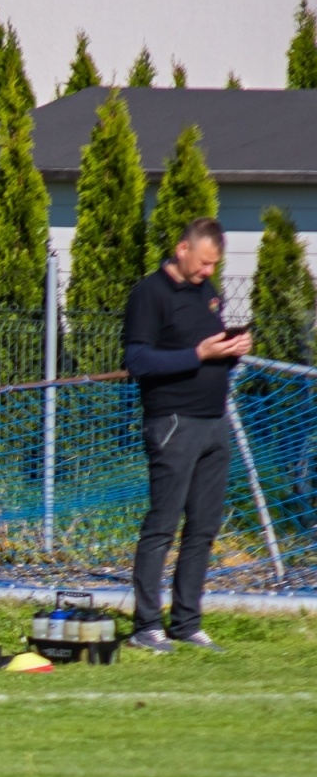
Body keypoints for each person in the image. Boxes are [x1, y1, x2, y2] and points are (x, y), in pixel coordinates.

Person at [124, 218, 247, 653]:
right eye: (203, 262)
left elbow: (207, 355)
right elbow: (138, 360)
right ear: (181, 249)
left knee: (204, 526)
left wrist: (229, 353)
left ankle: (186, 622)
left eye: (214, 264)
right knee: (163, 524)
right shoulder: (149, 293)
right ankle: (145, 625)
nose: (208, 271)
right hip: (173, 421)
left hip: (215, 422)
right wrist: (199, 353)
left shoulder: (206, 294)